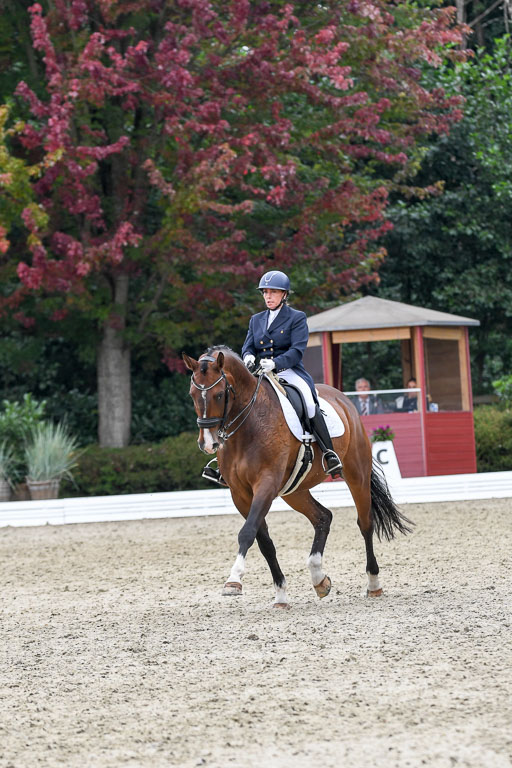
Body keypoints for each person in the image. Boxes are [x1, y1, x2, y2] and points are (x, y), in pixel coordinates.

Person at [241, 270, 343, 478]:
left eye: (273, 292)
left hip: (288, 371)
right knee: (236, 401)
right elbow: (248, 345)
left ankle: (329, 453)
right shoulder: (256, 320)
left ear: (284, 294)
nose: (268, 296)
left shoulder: (296, 317)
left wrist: (275, 363)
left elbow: (297, 350)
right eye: (265, 292)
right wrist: (248, 356)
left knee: (309, 403)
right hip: (260, 373)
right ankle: (228, 459)